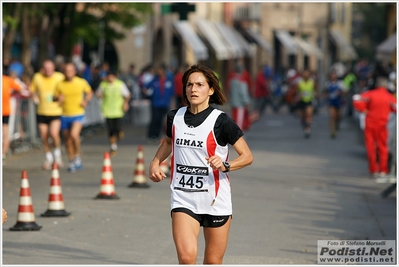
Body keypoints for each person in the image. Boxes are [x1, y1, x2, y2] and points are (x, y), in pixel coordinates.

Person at [149, 64, 253, 264]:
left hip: (215, 200)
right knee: (187, 258)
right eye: (189, 85)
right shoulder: (174, 117)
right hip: (183, 198)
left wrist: (225, 165)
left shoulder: (222, 122)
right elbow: (169, 142)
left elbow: (247, 156)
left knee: (212, 262)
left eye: (199, 85)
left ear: (211, 90)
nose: (193, 89)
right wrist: (155, 162)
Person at [352, 76, 396, 180]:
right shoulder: (389, 97)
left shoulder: (370, 94)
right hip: (382, 125)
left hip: (370, 124)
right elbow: (395, 108)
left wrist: (364, 110)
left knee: (371, 147)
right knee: (383, 147)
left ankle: (373, 169)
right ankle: (383, 170)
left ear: (377, 85)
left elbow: (356, 99)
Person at [53, 63, 93, 172]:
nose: (68, 73)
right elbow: (54, 97)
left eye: (71, 70)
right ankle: (71, 161)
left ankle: (77, 156)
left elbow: (89, 92)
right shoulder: (60, 84)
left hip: (78, 113)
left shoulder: (81, 82)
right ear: (64, 72)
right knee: (68, 141)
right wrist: (58, 98)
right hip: (65, 115)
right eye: (66, 70)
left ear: (75, 71)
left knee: (74, 135)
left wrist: (86, 101)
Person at [30, 60, 65, 169]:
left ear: (54, 68)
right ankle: (48, 158)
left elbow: (65, 90)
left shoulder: (59, 77)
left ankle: (57, 155)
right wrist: (34, 96)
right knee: (44, 136)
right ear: (42, 69)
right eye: (46, 68)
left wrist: (61, 98)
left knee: (54, 134)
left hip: (55, 111)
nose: (48, 71)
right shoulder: (37, 77)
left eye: (50, 68)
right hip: (42, 111)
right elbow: (32, 90)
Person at [96, 70, 131, 156]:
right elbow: (98, 93)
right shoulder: (103, 84)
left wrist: (125, 103)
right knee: (111, 130)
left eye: (112, 76)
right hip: (107, 111)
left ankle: (119, 133)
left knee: (118, 130)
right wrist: (100, 95)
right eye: (109, 76)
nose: (110, 78)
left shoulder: (120, 84)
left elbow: (127, 95)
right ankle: (113, 147)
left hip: (118, 110)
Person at [143, 63, 174, 143]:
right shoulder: (155, 80)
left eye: (159, 70)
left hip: (165, 103)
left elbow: (171, 92)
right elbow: (145, 87)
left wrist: (171, 102)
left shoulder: (169, 80)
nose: (158, 71)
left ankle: (157, 135)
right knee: (154, 119)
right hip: (155, 103)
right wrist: (147, 94)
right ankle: (151, 135)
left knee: (161, 120)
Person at [2, 72, 21, 161]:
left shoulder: (7, 80)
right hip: (5, 111)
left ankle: (3, 154)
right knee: (6, 133)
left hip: (5, 111)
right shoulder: (8, 80)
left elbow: (20, 88)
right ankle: (3, 154)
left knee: (6, 133)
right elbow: (20, 89)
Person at [295, 69, 318, 138]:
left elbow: (316, 89)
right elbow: (296, 91)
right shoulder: (300, 82)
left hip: (309, 100)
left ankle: (308, 129)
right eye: (304, 74)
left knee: (309, 114)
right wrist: (298, 95)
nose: (305, 75)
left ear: (309, 75)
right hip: (302, 101)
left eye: (307, 74)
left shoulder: (312, 82)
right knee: (303, 116)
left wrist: (315, 94)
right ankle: (304, 123)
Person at [229, 64, 252, 131]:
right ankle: (238, 137)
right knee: (239, 122)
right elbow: (244, 93)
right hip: (240, 104)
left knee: (235, 120)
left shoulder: (232, 80)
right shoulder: (242, 81)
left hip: (234, 103)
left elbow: (230, 90)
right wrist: (247, 102)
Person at [324, 71, 345, 138]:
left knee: (338, 116)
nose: (333, 77)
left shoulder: (340, 83)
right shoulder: (327, 84)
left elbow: (345, 91)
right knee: (332, 116)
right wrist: (326, 95)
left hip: (338, 102)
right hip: (331, 102)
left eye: (334, 76)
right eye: (332, 76)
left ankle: (337, 124)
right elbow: (325, 92)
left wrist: (340, 93)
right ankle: (332, 131)